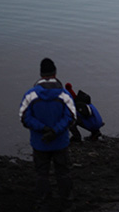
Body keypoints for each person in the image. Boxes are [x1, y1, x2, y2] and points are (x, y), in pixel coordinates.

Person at [19, 58, 77, 208]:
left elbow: (24, 117)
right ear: (55, 73)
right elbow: (71, 117)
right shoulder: (64, 95)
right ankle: (67, 200)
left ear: (40, 74)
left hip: (40, 143)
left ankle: (43, 200)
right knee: (63, 172)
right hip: (60, 142)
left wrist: (42, 129)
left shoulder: (30, 95)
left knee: (41, 173)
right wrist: (55, 131)